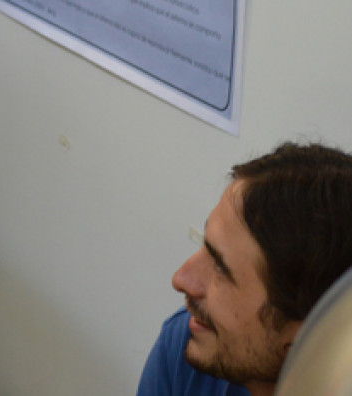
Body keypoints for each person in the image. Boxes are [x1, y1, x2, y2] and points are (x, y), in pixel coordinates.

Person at [137, 142, 352, 396]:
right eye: (205, 245)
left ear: (307, 336)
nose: (181, 279)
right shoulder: (186, 344)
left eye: (220, 267)